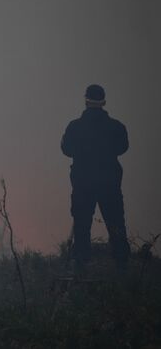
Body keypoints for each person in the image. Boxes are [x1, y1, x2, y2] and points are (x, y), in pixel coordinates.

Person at [61, 85, 130, 270]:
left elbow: (66, 149)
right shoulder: (116, 127)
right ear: (104, 102)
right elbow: (123, 147)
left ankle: (81, 261)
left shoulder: (75, 127)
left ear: (86, 101)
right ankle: (121, 262)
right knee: (115, 221)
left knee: (82, 223)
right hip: (110, 183)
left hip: (83, 184)